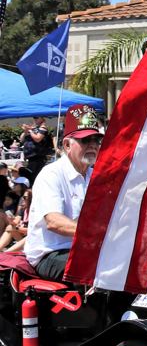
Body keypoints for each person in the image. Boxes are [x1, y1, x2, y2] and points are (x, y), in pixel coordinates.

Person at [23, 105, 104, 280]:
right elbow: (54, 222)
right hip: (50, 254)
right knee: (101, 264)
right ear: (67, 145)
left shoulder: (95, 177)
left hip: (83, 250)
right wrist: (99, 232)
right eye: (85, 140)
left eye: (96, 140)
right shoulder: (51, 174)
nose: (92, 145)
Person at [20, 116, 54, 183]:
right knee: (31, 175)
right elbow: (21, 139)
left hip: (38, 156)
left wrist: (30, 131)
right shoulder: (34, 128)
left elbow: (38, 138)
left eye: (36, 117)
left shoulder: (43, 128)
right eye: (34, 117)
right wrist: (26, 131)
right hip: (31, 157)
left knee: (34, 176)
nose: (34, 119)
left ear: (42, 118)